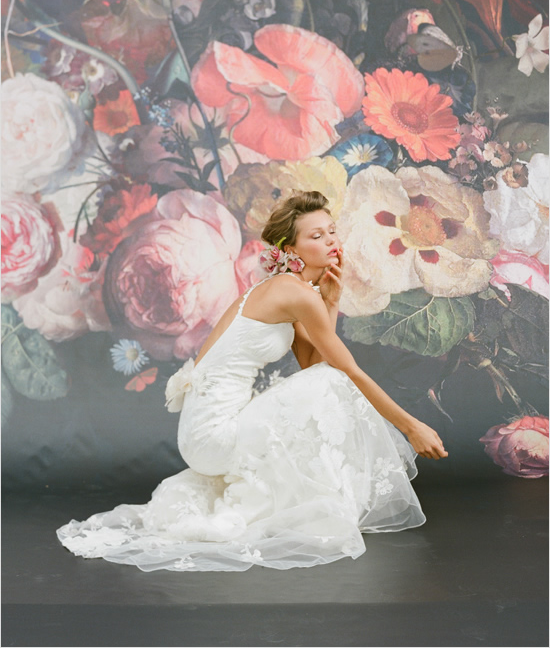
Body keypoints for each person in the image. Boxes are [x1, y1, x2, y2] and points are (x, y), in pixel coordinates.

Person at [57, 190, 447, 572]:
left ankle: (324, 495)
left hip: (205, 433)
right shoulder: (292, 293)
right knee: (335, 381)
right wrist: (411, 428)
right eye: (316, 236)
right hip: (213, 437)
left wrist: (330, 300)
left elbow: (310, 361)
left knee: (326, 381)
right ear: (290, 250)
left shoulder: (291, 290)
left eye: (330, 231)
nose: (331, 241)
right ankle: (329, 496)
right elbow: (345, 370)